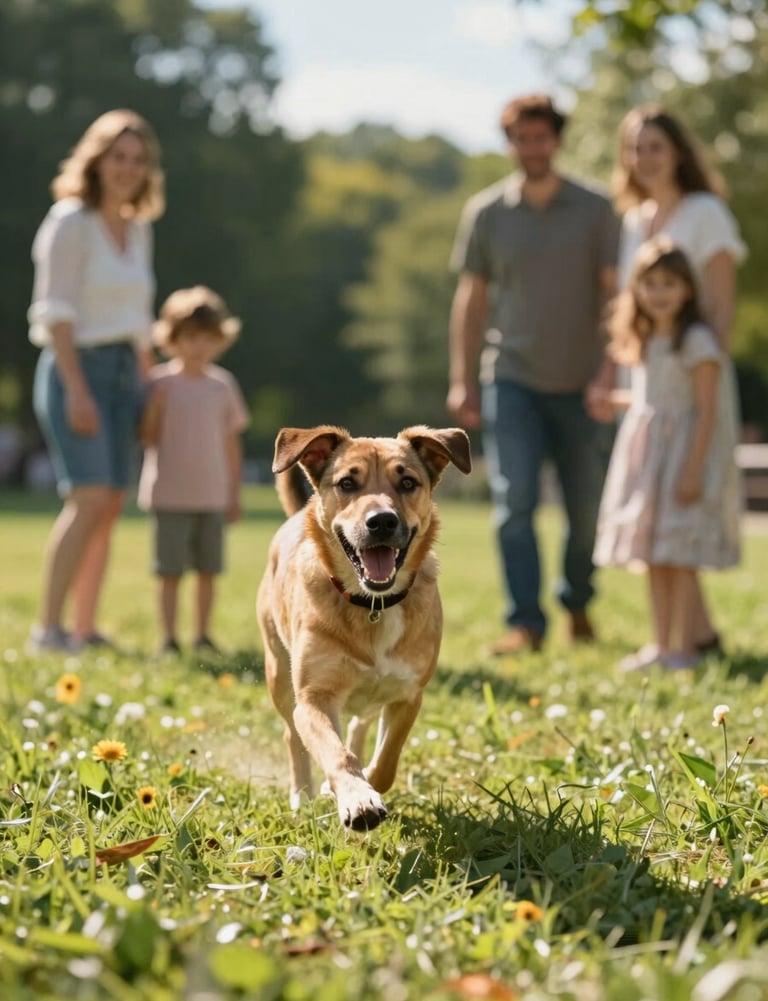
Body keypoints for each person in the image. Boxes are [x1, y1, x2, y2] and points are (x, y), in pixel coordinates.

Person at [447, 94, 620, 654]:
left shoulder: (596, 208)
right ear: (511, 143)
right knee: (514, 501)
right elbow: (470, 300)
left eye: (541, 137)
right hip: (511, 377)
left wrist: (610, 370)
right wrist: (462, 378)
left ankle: (578, 601)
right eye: (522, 139)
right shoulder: (488, 212)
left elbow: (615, 296)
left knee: (585, 507)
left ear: (557, 140)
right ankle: (525, 621)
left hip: (583, 381)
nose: (532, 148)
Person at [591, 103, 746, 656]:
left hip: (693, 383)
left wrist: (696, 367)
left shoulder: (706, 212)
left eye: (655, 145)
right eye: (635, 147)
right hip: (649, 387)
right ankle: (693, 637)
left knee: (681, 512)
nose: (644, 157)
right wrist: (615, 377)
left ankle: (686, 641)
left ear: (677, 151)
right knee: (656, 518)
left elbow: (721, 307)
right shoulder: (635, 219)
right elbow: (628, 305)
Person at [28, 109, 164, 653]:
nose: (128, 168)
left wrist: (150, 382)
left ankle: (84, 629)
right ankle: (47, 629)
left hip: (125, 375)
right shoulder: (70, 221)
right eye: (118, 157)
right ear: (97, 160)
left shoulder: (139, 228)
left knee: (109, 505)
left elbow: (138, 318)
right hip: (74, 369)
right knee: (85, 499)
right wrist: (77, 389)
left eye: (138, 159)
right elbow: (55, 311)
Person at [593, 240, 739, 671]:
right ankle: (660, 646)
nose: (658, 293)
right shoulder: (644, 338)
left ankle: (685, 648)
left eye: (668, 284)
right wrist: (613, 402)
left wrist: (693, 470)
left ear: (688, 289)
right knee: (654, 554)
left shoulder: (695, 341)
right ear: (634, 289)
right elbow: (649, 400)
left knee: (678, 552)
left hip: (680, 456)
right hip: (647, 458)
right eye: (649, 284)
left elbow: (706, 409)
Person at [138, 286, 250, 655]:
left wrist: (234, 493)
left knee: (208, 571)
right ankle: (168, 638)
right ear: (172, 339)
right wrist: (154, 407)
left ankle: (202, 635)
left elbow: (232, 445)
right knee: (169, 571)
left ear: (219, 339)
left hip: (212, 494)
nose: (197, 346)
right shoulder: (159, 383)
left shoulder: (222, 386)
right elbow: (147, 437)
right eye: (189, 338)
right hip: (168, 493)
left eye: (206, 338)